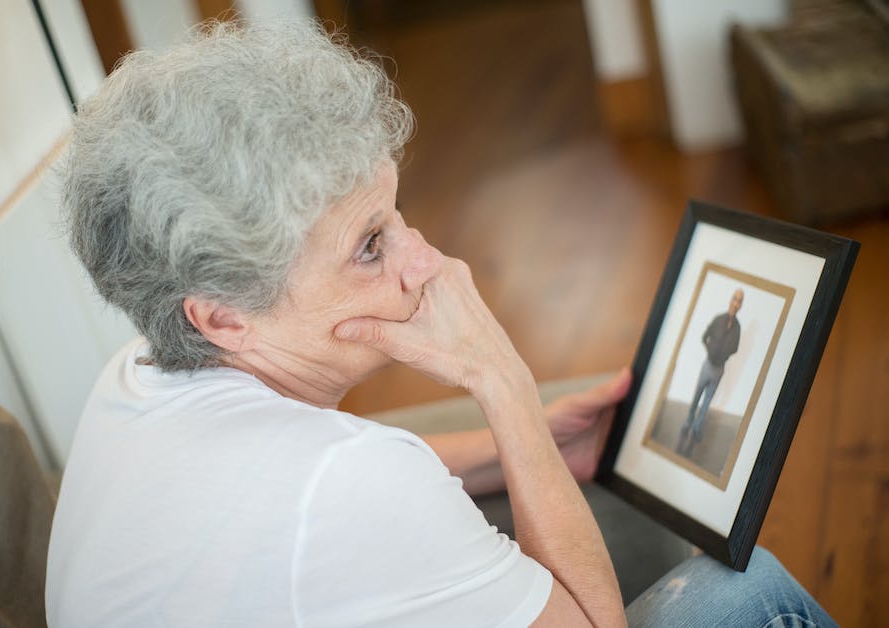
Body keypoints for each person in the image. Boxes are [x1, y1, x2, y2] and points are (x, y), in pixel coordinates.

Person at [45, 20, 835, 627]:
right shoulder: (344, 483)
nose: (425, 261)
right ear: (224, 317)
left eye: (393, 217)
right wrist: (506, 384)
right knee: (750, 594)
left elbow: (331, 492)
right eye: (369, 247)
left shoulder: (135, 376)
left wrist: (521, 449)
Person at [679, 288, 743, 451]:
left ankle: (696, 429)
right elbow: (704, 336)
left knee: (707, 402)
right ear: (730, 300)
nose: (736, 303)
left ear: (741, 305)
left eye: (739, 301)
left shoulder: (737, 328)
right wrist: (711, 349)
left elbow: (735, 348)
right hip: (707, 366)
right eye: (734, 298)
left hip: (719, 370)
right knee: (697, 396)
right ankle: (688, 422)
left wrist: (724, 355)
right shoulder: (718, 319)